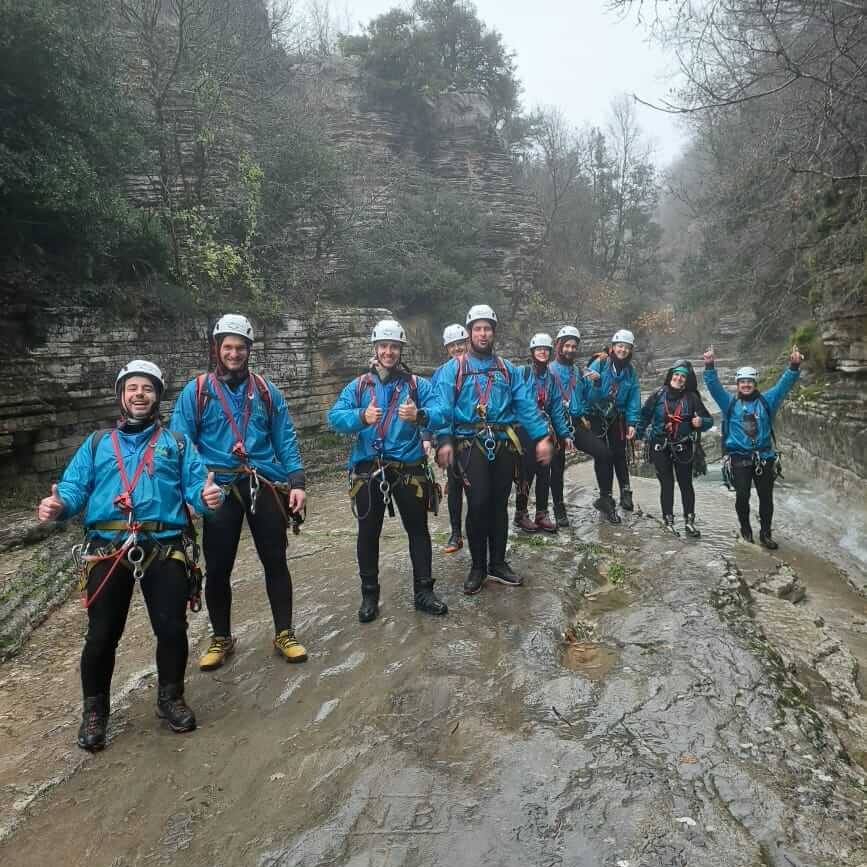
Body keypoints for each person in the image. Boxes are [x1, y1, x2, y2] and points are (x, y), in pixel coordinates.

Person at [36, 360, 224, 752]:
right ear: (122, 395)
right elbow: (73, 488)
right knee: (102, 634)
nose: (140, 394)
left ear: (157, 397)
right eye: (133, 388)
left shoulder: (176, 443)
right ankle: (95, 711)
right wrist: (59, 506)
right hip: (107, 547)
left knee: (171, 628)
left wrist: (208, 498)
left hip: (163, 544)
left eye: (148, 389)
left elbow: (196, 486)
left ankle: (170, 698)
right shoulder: (97, 444)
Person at [170, 314, 308, 670]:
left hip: (262, 481)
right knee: (218, 567)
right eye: (227, 347)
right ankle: (221, 637)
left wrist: (297, 483)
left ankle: (284, 632)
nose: (234, 354)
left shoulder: (265, 390)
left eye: (240, 348)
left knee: (275, 560)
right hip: (219, 487)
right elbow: (181, 443)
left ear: (249, 351)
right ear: (216, 349)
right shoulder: (197, 392)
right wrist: (197, 486)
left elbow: (285, 437)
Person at [327, 319, 449, 622]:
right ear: (375, 349)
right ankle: (370, 595)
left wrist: (420, 415)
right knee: (368, 533)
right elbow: (335, 417)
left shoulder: (417, 385)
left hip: (408, 465)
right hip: (370, 467)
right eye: (384, 346)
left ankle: (424, 591)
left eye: (394, 347)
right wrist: (360, 417)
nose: (389, 352)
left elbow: (443, 412)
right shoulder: (358, 386)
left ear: (401, 349)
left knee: (417, 530)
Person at [434, 304, 554, 595]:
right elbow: (442, 408)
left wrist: (540, 436)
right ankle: (478, 566)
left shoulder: (507, 369)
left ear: (494, 332)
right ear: (470, 333)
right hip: (470, 444)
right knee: (477, 504)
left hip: (502, 444)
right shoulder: (454, 369)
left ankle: (498, 563)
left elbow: (525, 405)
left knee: (499, 506)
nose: (483, 333)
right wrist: (444, 440)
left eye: (488, 328)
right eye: (478, 328)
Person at [703, 346, 802, 548]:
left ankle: (765, 533)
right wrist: (709, 365)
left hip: (764, 456)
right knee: (742, 496)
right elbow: (714, 387)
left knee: (766, 498)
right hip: (739, 458)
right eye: (742, 382)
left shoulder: (767, 401)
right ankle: (746, 529)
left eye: (749, 382)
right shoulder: (729, 403)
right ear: (738, 384)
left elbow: (784, 385)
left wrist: (794, 365)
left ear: (755, 383)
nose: (746, 385)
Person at [636, 360, 713, 537]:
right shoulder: (657, 395)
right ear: (670, 376)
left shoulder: (692, 398)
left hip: (683, 447)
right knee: (667, 484)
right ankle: (668, 521)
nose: (678, 378)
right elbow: (644, 416)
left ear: (686, 380)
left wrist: (701, 422)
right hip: (659, 446)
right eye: (676, 375)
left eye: (682, 376)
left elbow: (707, 420)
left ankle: (689, 521)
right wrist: (638, 435)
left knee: (686, 484)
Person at [548, 325, 612, 527]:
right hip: (555, 424)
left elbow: (588, 398)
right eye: (566, 345)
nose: (570, 349)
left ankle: (605, 498)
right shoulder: (549, 371)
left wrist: (597, 383)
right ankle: (559, 507)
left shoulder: (577, 371)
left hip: (575, 423)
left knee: (603, 453)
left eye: (573, 346)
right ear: (558, 345)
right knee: (556, 466)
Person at [514, 333, 574, 533]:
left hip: (545, 429)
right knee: (526, 472)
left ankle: (542, 513)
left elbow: (556, 409)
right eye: (538, 349)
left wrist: (564, 434)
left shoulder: (552, 379)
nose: (542, 352)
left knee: (544, 472)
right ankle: (520, 513)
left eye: (545, 349)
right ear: (532, 352)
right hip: (523, 430)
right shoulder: (522, 374)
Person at [585, 329, 641, 524]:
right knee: (603, 455)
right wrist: (599, 383)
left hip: (618, 416)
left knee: (619, 453)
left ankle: (626, 490)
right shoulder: (599, 364)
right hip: (597, 416)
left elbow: (634, 397)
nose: (623, 350)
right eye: (620, 346)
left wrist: (633, 422)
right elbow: (588, 395)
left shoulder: (630, 372)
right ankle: (606, 496)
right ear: (613, 347)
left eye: (626, 347)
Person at [430, 323, 468, 554]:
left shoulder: (477, 368)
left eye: (460, 344)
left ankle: (474, 529)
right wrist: (431, 437)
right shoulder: (440, 373)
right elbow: (432, 405)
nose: (457, 349)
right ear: (447, 349)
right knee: (455, 486)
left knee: (476, 488)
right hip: (450, 436)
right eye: (452, 345)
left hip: (472, 434)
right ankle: (456, 533)